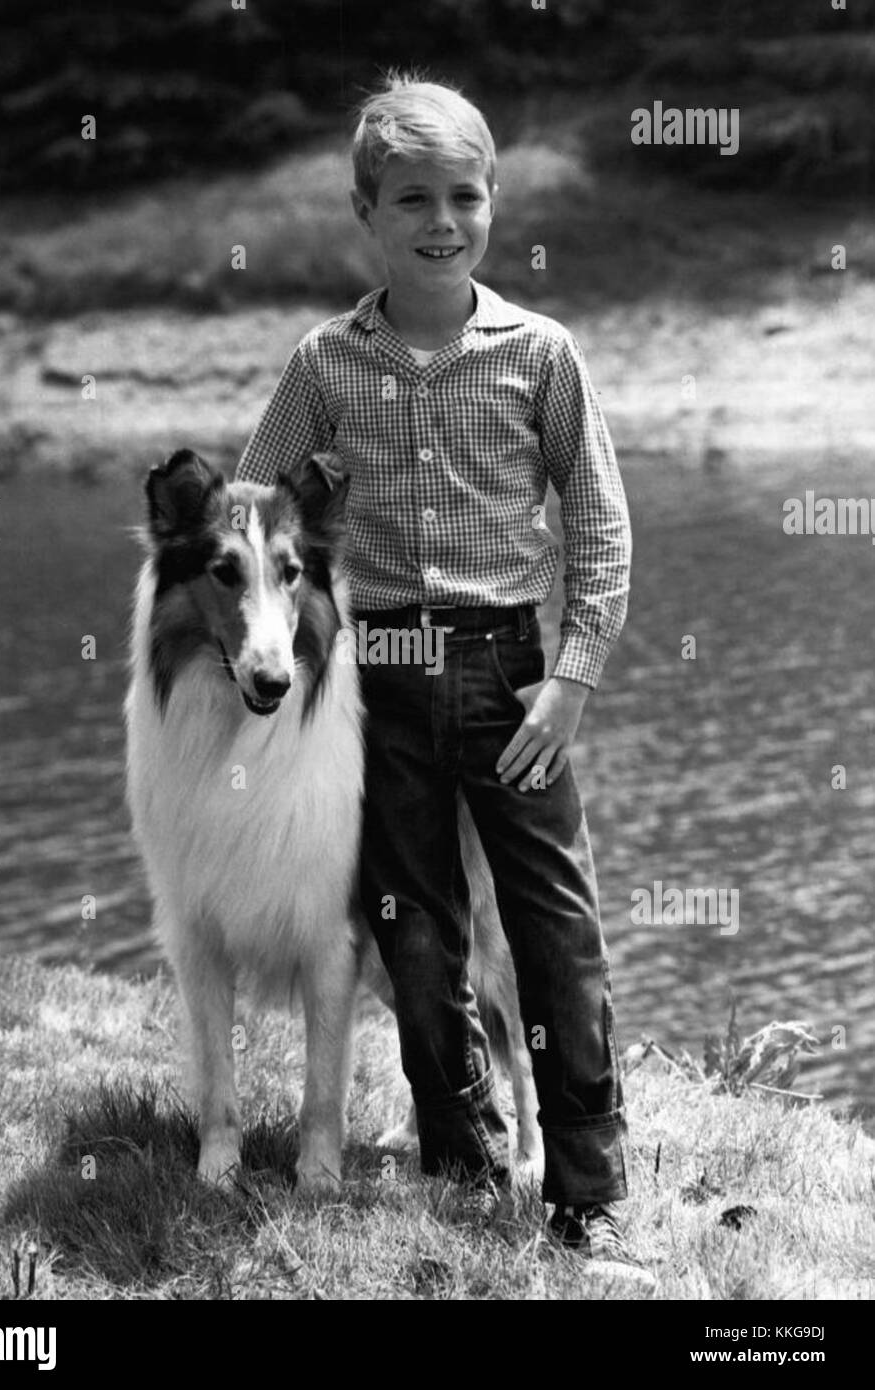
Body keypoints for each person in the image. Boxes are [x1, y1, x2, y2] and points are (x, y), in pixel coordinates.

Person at [235, 73, 641, 1271]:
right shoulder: (322, 365)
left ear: (492, 204)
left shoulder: (541, 354)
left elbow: (601, 528)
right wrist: (268, 635)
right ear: (366, 211)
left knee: (554, 928)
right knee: (414, 932)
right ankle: (458, 1162)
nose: (440, 220)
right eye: (411, 198)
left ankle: (589, 1187)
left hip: (515, 676)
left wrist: (570, 679)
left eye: (463, 196)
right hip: (379, 688)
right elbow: (257, 510)